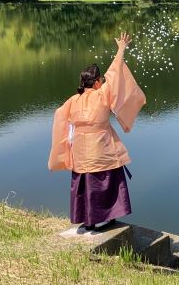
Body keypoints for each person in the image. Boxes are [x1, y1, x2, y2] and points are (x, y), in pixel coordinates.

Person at [48, 32, 146, 231]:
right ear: (96, 83)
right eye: (100, 79)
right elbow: (115, 72)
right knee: (107, 182)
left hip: (81, 155)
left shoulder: (72, 101)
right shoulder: (102, 94)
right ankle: (106, 218)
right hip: (102, 150)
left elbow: (59, 116)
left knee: (86, 184)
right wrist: (121, 48)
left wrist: (67, 144)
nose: (102, 81)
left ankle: (88, 220)